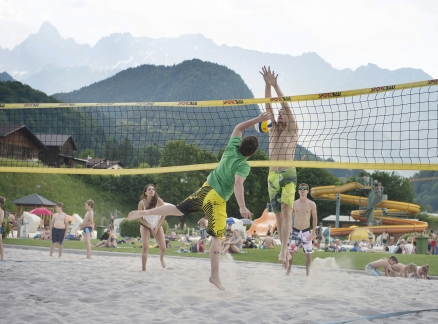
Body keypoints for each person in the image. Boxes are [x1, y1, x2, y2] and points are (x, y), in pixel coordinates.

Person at [127, 112, 271, 291]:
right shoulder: (243, 164)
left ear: (240, 143)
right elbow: (238, 183)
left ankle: (147, 212)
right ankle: (214, 276)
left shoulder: (231, 148)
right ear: (253, 153)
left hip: (206, 187)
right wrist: (242, 205)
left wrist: (258, 120)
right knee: (217, 238)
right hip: (216, 199)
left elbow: (238, 128)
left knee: (178, 210)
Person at [261, 66, 298, 267]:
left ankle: (284, 249)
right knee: (278, 216)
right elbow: (269, 107)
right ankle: (284, 247)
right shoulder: (273, 129)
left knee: (286, 212)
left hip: (288, 174)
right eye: (280, 113)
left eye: (284, 113)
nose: (282, 114)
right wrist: (267, 85)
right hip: (272, 177)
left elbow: (285, 104)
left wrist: (276, 86)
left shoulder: (293, 129)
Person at [286, 183, 317, 276]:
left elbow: (315, 218)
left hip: (306, 231)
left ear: (307, 191)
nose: (302, 190)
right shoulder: (294, 203)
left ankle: (308, 272)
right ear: (298, 191)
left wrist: (314, 231)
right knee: (291, 251)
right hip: (295, 230)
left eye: (304, 189)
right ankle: (288, 270)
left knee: (308, 253)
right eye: (300, 189)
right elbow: (289, 217)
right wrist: (288, 230)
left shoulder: (311, 204)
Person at [136, 184, 167, 271]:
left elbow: (163, 216)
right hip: (145, 225)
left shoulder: (159, 201)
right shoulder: (141, 203)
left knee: (163, 248)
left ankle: (161, 259)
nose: (151, 191)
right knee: (145, 247)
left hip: (157, 224)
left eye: (153, 189)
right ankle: (144, 268)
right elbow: (140, 219)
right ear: (145, 193)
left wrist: (157, 227)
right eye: (149, 189)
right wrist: (149, 226)